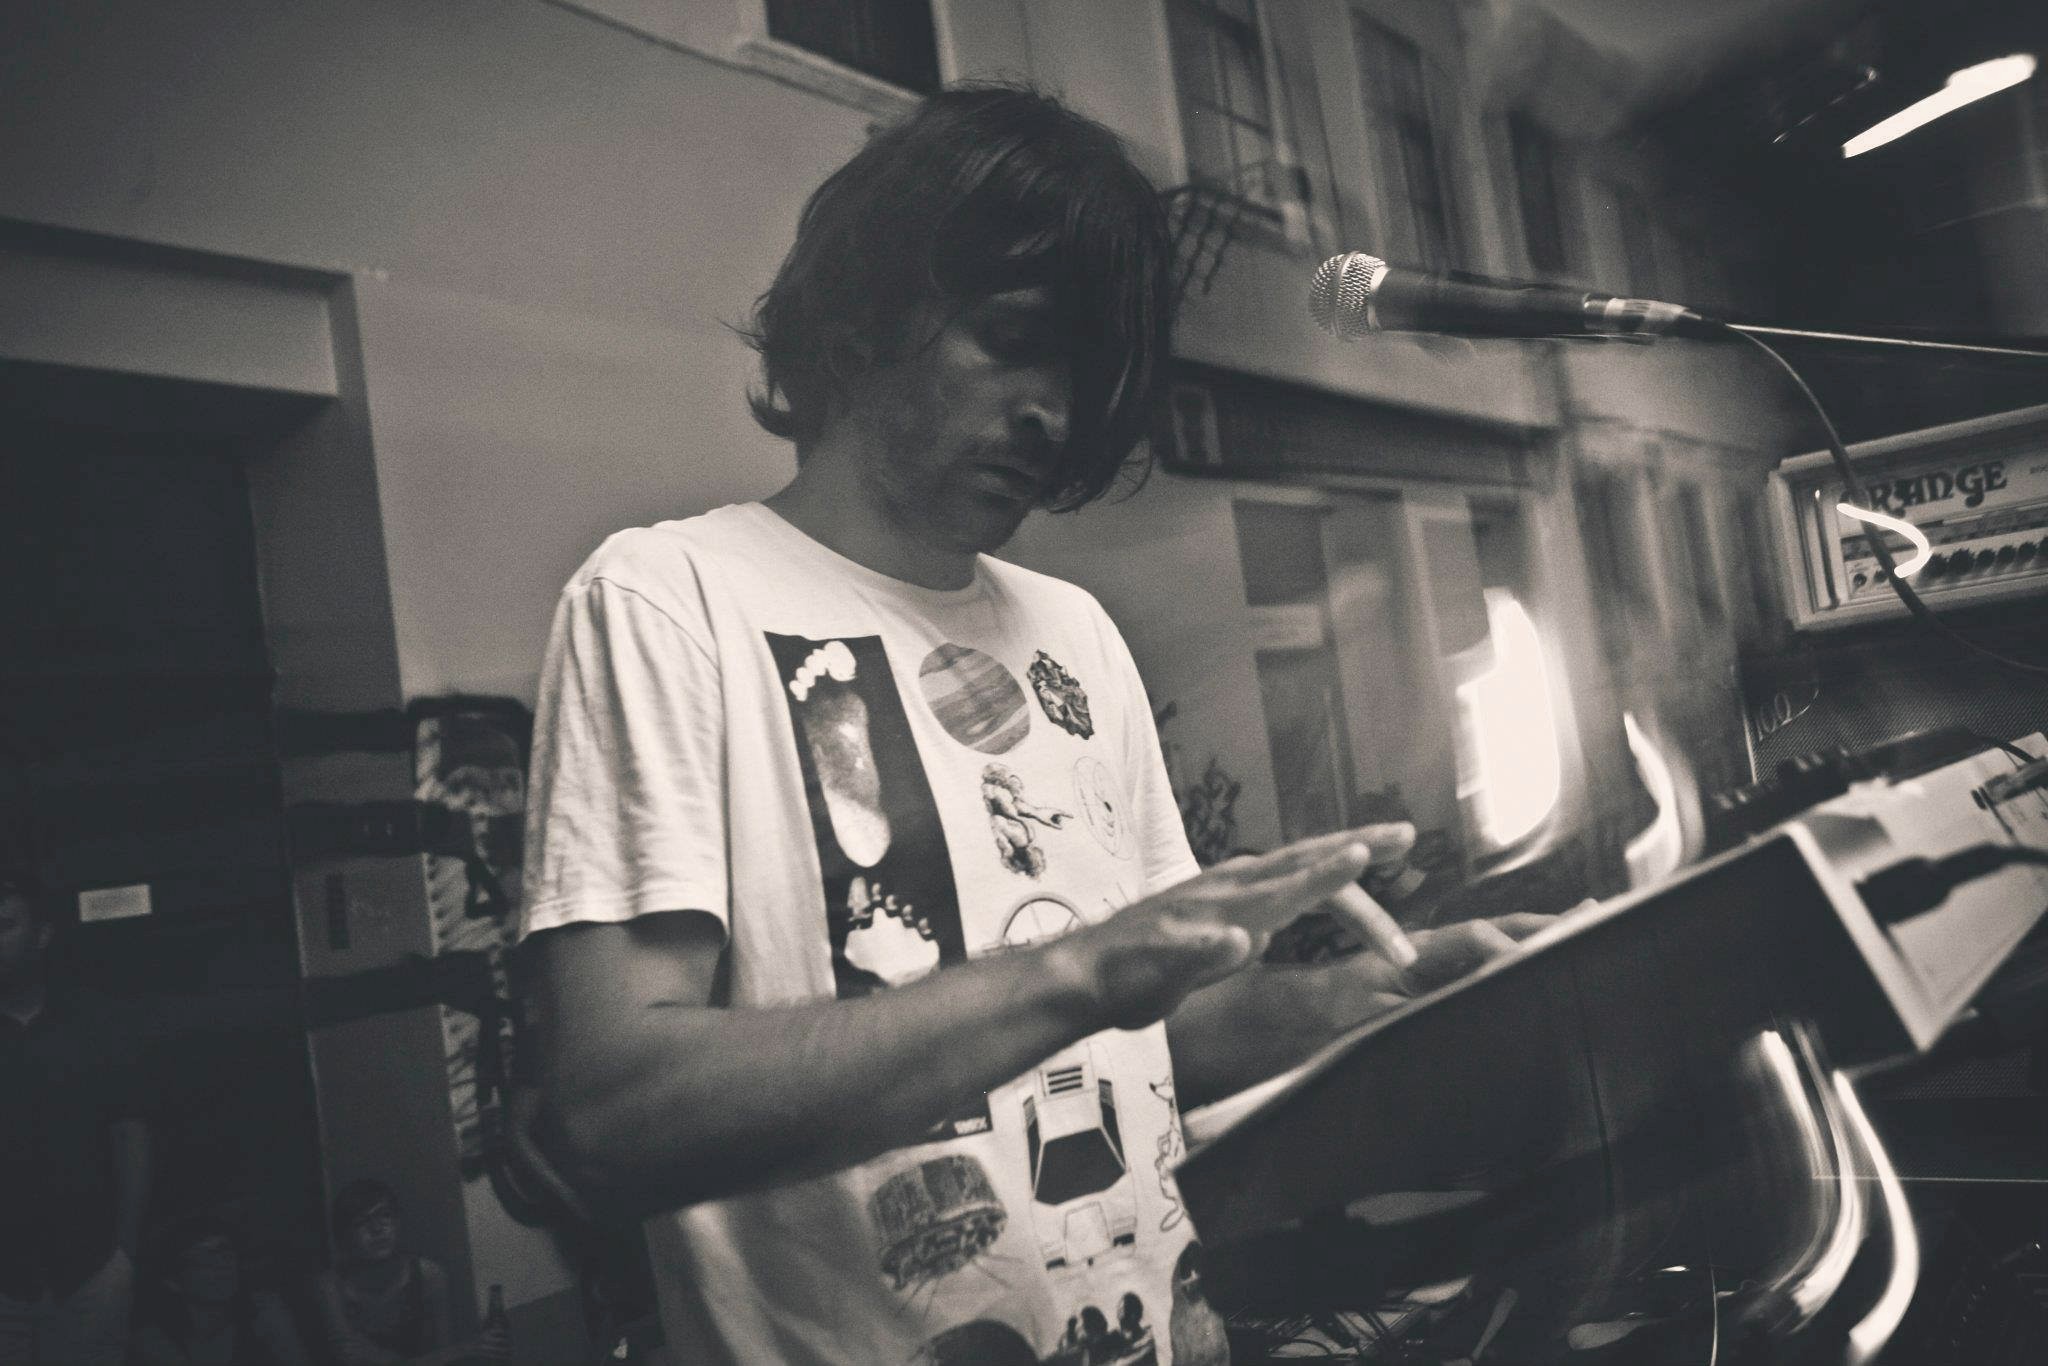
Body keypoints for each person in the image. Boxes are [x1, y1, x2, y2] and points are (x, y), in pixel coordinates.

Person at [520, 83, 1533, 1364]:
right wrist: (1073, 970)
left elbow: (1146, 1043)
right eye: (1010, 340)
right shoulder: (666, 601)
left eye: (1082, 374)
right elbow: (615, 1116)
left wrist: (1361, 1001)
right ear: (862, 318)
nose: (1052, 412)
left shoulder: (1076, 632)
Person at [0, 867, 152, 1366]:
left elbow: (129, 1133)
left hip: (88, 1268)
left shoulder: (96, 1023)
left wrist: (125, 1254)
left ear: (41, 935)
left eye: (5, 925)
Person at [311, 1180, 505, 1366]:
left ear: (398, 1221)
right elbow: (350, 1360)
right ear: (344, 1236)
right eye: (361, 1222)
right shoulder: (331, 1285)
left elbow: (444, 1357)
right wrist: (463, 1350)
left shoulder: (428, 1275)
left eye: (385, 1215)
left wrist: (379, 1357)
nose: (377, 1228)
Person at [129, 1214, 312, 1366]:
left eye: (224, 1252)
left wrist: (280, 1331)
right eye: (201, 1260)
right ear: (173, 1282)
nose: (221, 1265)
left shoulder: (263, 1313)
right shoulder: (152, 1340)